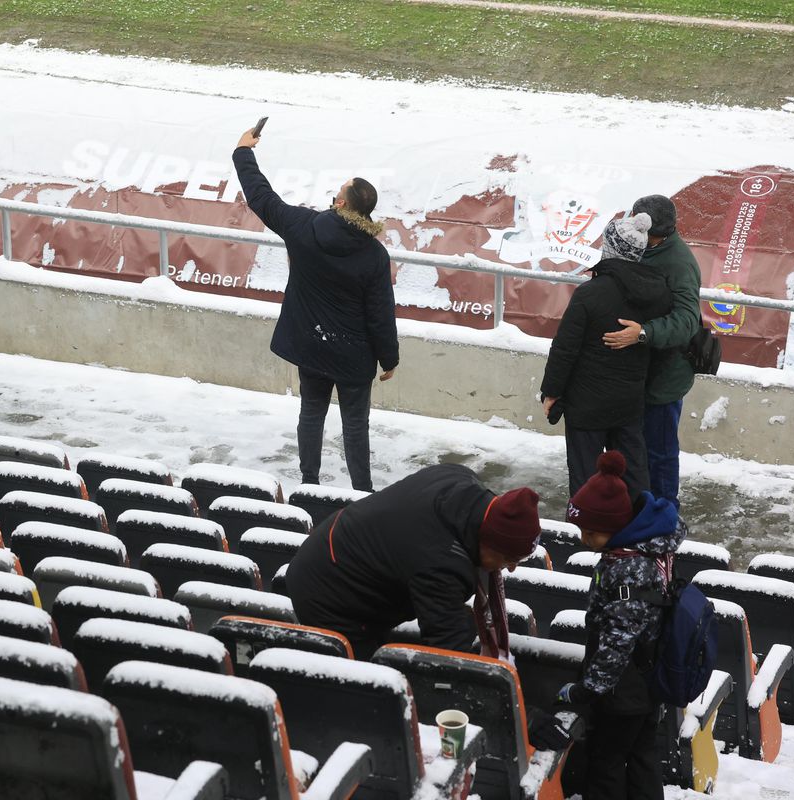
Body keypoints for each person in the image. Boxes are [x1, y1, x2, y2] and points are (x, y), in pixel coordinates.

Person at [232, 127, 398, 492]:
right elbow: (380, 313)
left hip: (311, 347)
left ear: (341, 204)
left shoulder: (302, 226)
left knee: (311, 413)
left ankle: (309, 483)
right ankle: (361, 491)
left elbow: (261, 197)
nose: (333, 196)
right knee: (356, 425)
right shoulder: (374, 255)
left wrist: (243, 152)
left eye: (337, 193)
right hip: (354, 356)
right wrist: (389, 359)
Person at [529, 450, 684, 800]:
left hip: (624, 690)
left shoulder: (627, 570)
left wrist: (586, 690)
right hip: (648, 678)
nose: (584, 538)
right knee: (643, 755)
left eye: (592, 532)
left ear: (616, 527)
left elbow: (617, 642)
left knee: (607, 762)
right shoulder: (648, 549)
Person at [285, 463, 542, 660]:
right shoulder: (441, 563)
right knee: (364, 689)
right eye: (509, 558)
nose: (511, 568)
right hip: (329, 593)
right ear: (487, 541)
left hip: (338, 547)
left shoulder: (461, 479)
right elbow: (449, 653)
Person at [541, 212, 672, 497]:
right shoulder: (659, 293)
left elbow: (565, 349)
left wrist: (551, 392)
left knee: (586, 479)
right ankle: (639, 532)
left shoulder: (589, 293)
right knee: (633, 474)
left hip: (586, 403)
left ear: (610, 248)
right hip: (629, 402)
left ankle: (586, 531)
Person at [603, 195, 701, 512]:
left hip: (662, 378)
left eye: (652, 237)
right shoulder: (632, 238)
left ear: (664, 234)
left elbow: (688, 320)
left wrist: (644, 332)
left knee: (659, 451)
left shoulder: (679, 263)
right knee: (629, 446)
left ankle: (664, 514)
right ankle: (634, 504)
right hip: (632, 372)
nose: (646, 239)